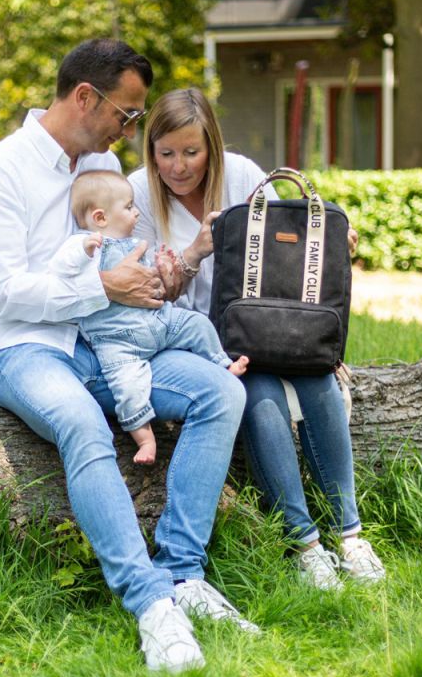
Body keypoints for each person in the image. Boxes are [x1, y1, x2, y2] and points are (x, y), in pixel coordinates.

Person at [0, 39, 259, 675]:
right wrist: (99, 287)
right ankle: (152, 606)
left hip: (106, 341)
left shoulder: (96, 165)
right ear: (85, 98)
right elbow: (3, 291)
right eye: (126, 115)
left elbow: (131, 254)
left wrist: (149, 278)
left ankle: (181, 572)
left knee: (221, 392)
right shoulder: (0, 170)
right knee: (80, 421)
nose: (130, 132)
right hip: (21, 347)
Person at [129, 87, 386, 591]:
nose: (178, 166)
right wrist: (196, 250)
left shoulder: (244, 176)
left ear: (212, 148)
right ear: (151, 151)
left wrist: (332, 239)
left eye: (191, 152)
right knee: (260, 396)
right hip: (187, 339)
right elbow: (141, 293)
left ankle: (350, 534)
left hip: (261, 327)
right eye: (166, 153)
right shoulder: (136, 193)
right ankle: (305, 543)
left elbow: (284, 255)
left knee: (318, 385)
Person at [49, 169, 248, 465]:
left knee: (197, 324)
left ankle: (220, 362)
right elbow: (60, 271)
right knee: (128, 388)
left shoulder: (133, 243)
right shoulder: (83, 245)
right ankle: (145, 439)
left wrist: (163, 269)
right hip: (118, 342)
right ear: (101, 218)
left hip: (159, 321)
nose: (137, 213)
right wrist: (82, 249)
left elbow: (150, 284)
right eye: (129, 207)